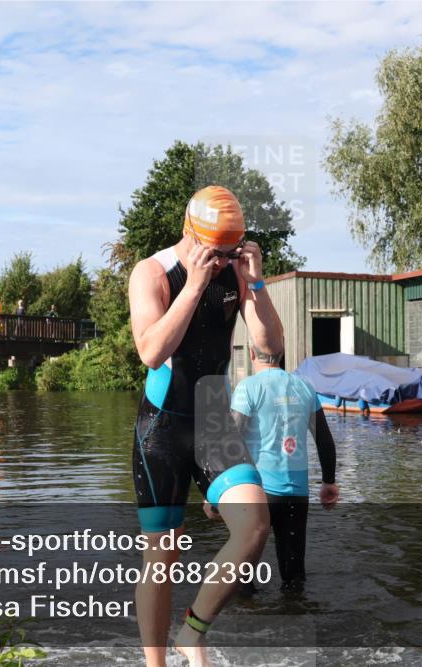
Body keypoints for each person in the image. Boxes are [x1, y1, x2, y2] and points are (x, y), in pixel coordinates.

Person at [128, 185, 284, 667]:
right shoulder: (152, 272)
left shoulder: (235, 273)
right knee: (163, 557)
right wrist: (194, 285)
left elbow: (270, 348)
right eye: (216, 251)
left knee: (254, 526)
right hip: (164, 427)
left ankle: (191, 633)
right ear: (191, 235)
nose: (222, 259)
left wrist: (254, 284)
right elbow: (151, 351)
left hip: (214, 419)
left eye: (230, 250)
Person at [209, 343, 339, 592]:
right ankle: (295, 620)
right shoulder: (305, 386)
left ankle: (249, 622)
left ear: (250, 354)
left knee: (243, 574)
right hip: (297, 494)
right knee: (294, 577)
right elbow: (324, 440)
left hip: (258, 494)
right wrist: (328, 482)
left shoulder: (249, 386)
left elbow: (232, 438)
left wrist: (216, 491)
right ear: (282, 353)